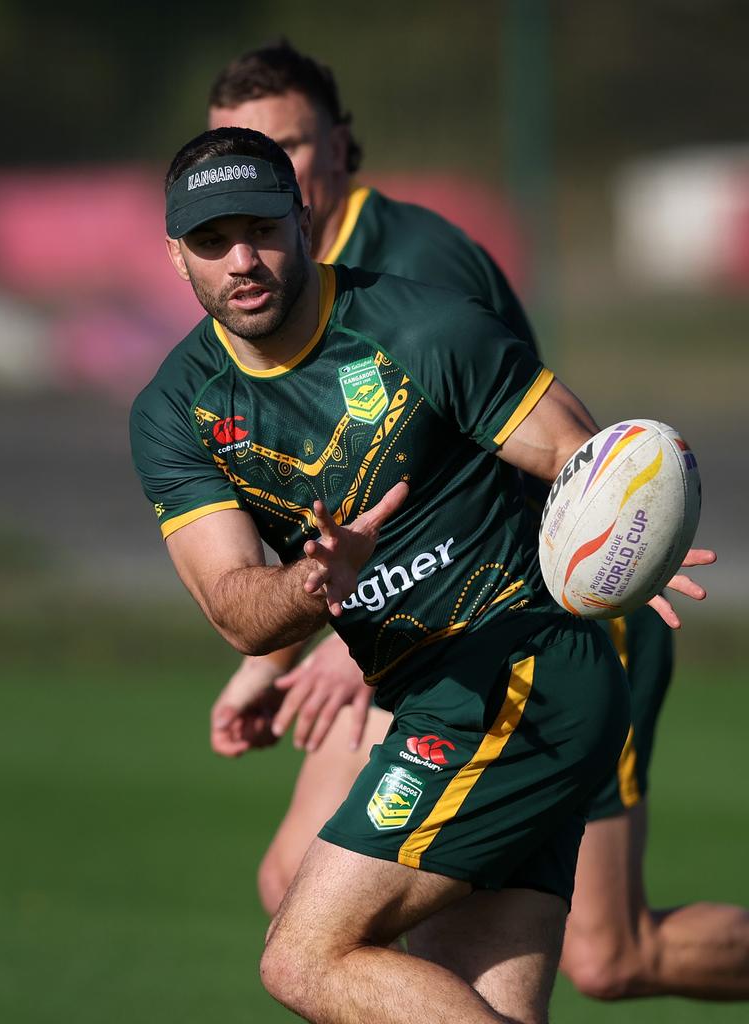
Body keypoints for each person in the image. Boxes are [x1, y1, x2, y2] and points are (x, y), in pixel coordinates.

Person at [206, 41, 749, 1001]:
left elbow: (524, 474)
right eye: (242, 155)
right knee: (306, 897)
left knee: (606, 956)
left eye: (289, 147)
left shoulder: (417, 267)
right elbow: (318, 509)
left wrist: (342, 643)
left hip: (548, 613)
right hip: (416, 637)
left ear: (339, 149)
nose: (266, 176)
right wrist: (271, 657)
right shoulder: (276, 299)